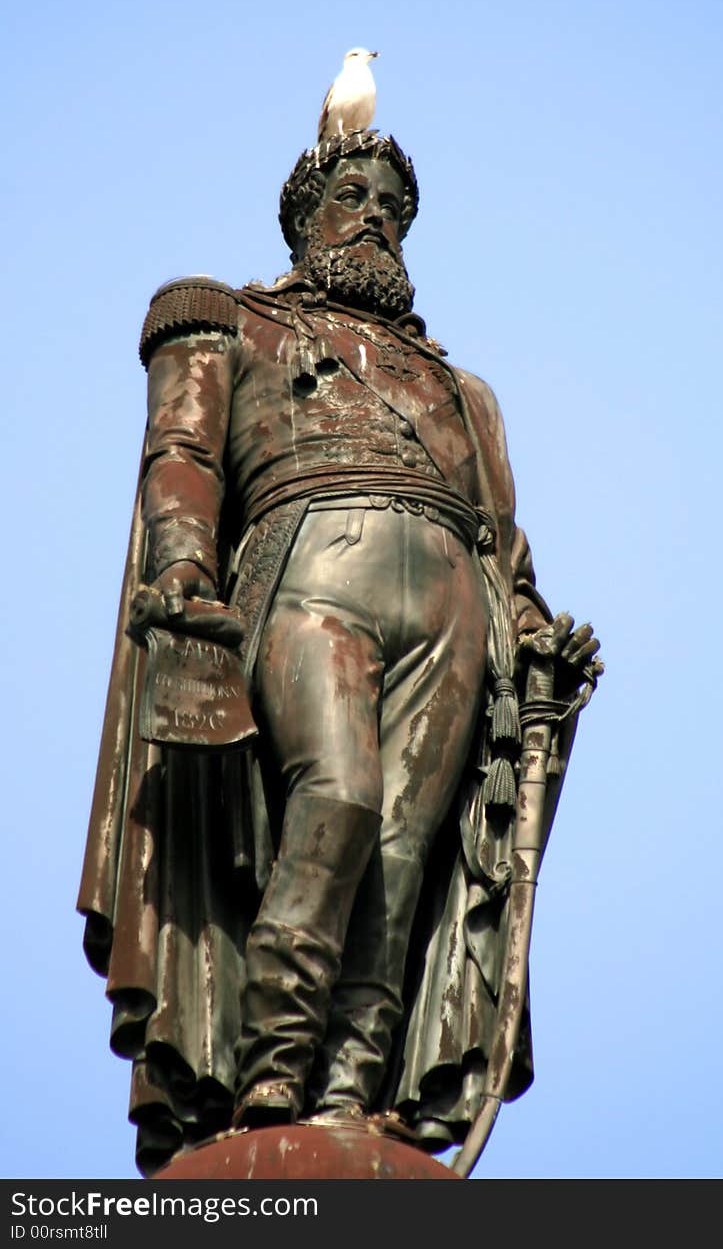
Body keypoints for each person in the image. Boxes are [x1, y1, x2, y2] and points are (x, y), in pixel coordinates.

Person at [79, 129, 601, 1173]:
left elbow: (501, 537)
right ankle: (273, 1064)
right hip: (308, 568)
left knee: (406, 854)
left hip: (453, 605)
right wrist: (182, 568)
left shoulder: (463, 392)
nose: (374, 215)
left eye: (392, 206)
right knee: (342, 797)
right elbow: (180, 452)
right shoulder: (228, 318)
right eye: (352, 193)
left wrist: (537, 632)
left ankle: (354, 1085)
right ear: (303, 215)